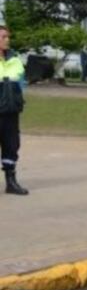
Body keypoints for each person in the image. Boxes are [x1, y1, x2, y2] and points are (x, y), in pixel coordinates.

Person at [0, 25, 29, 195]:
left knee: (11, 146)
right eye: (3, 37)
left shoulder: (15, 59)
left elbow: (21, 83)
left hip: (11, 112)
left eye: (7, 37)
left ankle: (11, 182)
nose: (7, 40)